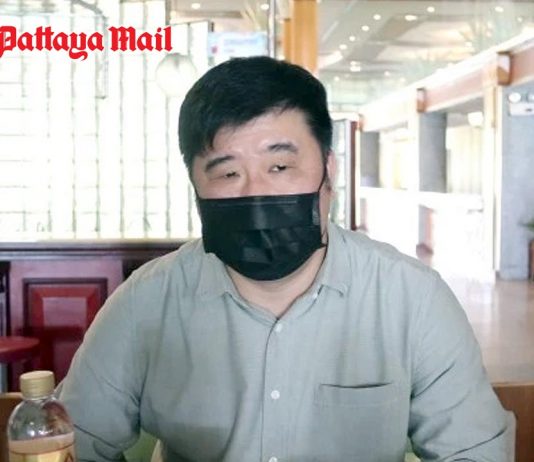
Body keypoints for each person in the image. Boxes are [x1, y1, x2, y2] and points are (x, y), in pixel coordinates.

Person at [59, 56, 513, 461]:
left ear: (329, 171)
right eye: (228, 173)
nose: (256, 192)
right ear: (195, 186)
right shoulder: (145, 304)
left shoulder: (413, 299)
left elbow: (473, 452)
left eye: (279, 167)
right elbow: (71, 445)